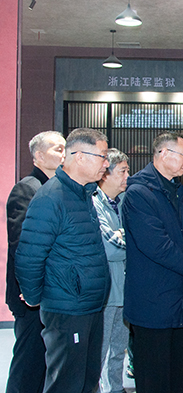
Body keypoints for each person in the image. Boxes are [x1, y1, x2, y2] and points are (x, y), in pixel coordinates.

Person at [15, 128, 111, 393]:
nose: (106, 164)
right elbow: (29, 256)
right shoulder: (51, 197)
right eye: (102, 156)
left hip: (90, 305)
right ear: (79, 157)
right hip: (67, 307)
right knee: (67, 382)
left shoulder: (84, 193)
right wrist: (33, 296)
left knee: (87, 380)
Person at [122, 132, 183, 393]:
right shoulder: (139, 193)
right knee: (154, 378)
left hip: (178, 301)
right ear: (163, 154)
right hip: (152, 303)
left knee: (177, 375)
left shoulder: (177, 190)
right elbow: (157, 246)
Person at [5, 131, 65, 393]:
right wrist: (32, 286)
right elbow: (22, 245)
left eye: (65, 148)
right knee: (29, 365)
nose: (64, 154)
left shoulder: (61, 189)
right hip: (31, 294)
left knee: (49, 365)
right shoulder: (27, 189)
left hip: (55, 293)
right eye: (57, 149)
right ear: (39, 155)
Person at [92, 149, 130, 393]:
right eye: (123, 171)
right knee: (100, 350)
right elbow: (110, 249)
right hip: (105, 291)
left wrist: (123, 236)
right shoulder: (94, 202)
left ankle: (115, 388)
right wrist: (129, 239)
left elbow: (138, 236)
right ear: (106, 174)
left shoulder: (125, 201)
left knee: (119, 349)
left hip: (126, 289)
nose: (128, 176)